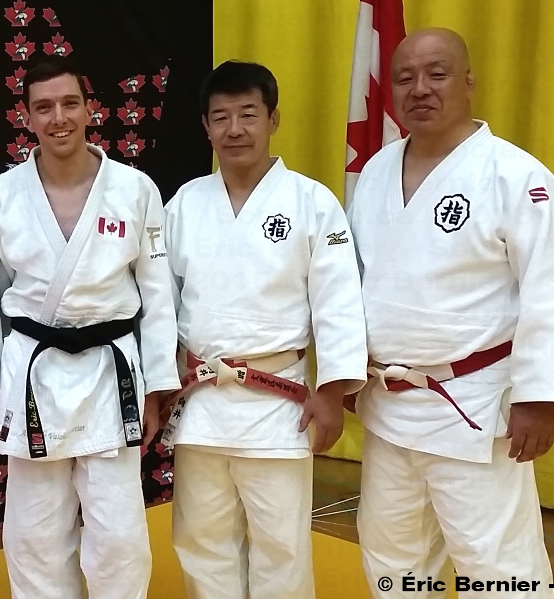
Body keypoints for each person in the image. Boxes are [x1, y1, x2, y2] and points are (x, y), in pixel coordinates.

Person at [346, 28, 554, 598]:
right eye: (404, 78)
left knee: (497, 563)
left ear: (469, 81)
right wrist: (347, 369)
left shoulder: (516, 176)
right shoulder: (376, 170)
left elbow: (550, 291)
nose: (419, 89)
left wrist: (538, 399)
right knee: (392, 555)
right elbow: (354, 280)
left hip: (472, 405)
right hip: (389, 402)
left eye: (437, 74)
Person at [160, 60, 367, 599]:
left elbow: (338, 302)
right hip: (202, 399)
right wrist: (160, 384)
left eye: (248, 114)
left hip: (281, 404)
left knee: (282, 545)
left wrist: (332, 390)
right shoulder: (184, 203)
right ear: (205, 127)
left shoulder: (311, 202)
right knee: (202, 540)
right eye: (221, 117)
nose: (235, 130)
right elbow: (161, 303)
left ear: (273, 119)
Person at [0, 55, 179, 599]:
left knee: (119, 534)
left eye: (70, 103)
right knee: (34, 532)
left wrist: (160, 384)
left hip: (109, 372)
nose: (59, 117)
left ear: (90, 109)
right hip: (33, 374)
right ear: (25, 117)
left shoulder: (135, 189)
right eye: (43, 107)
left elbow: (158, 295)